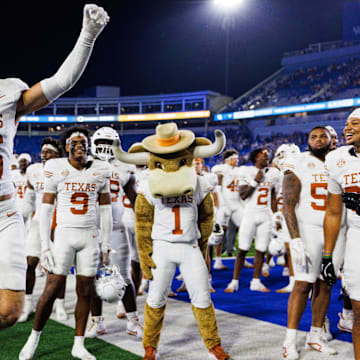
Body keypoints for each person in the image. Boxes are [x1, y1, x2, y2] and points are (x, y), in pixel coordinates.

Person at [0, 3, 109, 331]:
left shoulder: (5, 94)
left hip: (4, 215)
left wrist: (88, 36)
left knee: (9, 312)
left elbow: (61, 81)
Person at [19, 127, 112, 360]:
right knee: (50, 289)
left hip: (90, 236)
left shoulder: (101, 169)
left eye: (84, 141)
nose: (80, 144)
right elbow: (46, 208)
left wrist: (105, 244)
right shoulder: (55, 168)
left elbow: (107, 210)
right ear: (67, 146)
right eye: (74, 141)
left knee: (85, 291)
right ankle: (33, 338)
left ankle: (78, 344)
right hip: (64, 235)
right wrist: (45, 245)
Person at [281, 127, 345, 359]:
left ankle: (315, 335)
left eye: (323, 137)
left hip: (337, 230)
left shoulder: (341, 160)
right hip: (308, 228)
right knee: (302, 283)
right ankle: (289, 340)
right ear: (307, 141)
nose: (318, 140)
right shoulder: (297, 161)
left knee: (326, 283)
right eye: (313, 137)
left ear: (332, 140)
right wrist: (295, 238)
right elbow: (288, 203)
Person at [86, 126, 143, 339]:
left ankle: (133, 320)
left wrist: (146, 221)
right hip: (92, 228)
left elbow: (133, 197)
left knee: (123, 276)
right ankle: (97, 322)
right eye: (101, 143)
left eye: (109, 143)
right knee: (92, 276)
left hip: (118, 227)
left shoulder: (125, 166)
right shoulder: (85, 164)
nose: (105, 147)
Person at [321, 108, 360, 359]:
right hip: (357, 236)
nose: (347, 128)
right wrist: (328, 256)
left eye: (355, 123)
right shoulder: (337, 159)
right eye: (346, 124)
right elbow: (334, 212)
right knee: (358, 309)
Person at [18, 138, 67, 323]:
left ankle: (60, 304)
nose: (45, 155)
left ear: (58, 155)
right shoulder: (33, 170)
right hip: (38, 222)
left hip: (58, 224)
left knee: (58, 268)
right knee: (29, 263)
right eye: (44, 151)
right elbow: (29, 199)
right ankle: (28, 303)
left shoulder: (65, 171)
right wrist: (22, 216)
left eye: (50, 152)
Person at [225, 148, 280, 293]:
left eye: (269, 155)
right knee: (243, 248)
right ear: (256, 157)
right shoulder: (245, 171)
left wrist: (276, 214)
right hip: (250, 214)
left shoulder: (273, 173)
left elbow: (274, 196)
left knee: (261, 249)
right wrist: (256, 181)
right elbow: (243, 195)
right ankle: (234, 281)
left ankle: (256, 281)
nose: (267, 157)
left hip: (266, 215)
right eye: (264, 155)